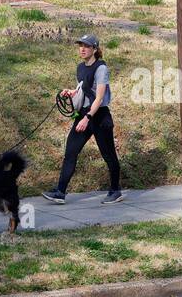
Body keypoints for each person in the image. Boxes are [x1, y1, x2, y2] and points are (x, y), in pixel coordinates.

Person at [42, 34, 123, 205]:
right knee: (70, 152)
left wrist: (87, 118)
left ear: (95, 49)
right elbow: (84, 89)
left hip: (99, 116)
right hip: (84, 115)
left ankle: (115, 190)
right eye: (80, 45)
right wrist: (72, 92)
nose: (82, 49)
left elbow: (99, 98)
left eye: (86, 46)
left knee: (108, 155)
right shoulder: (80, 68)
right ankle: (60, 192)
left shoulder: (101, 68)